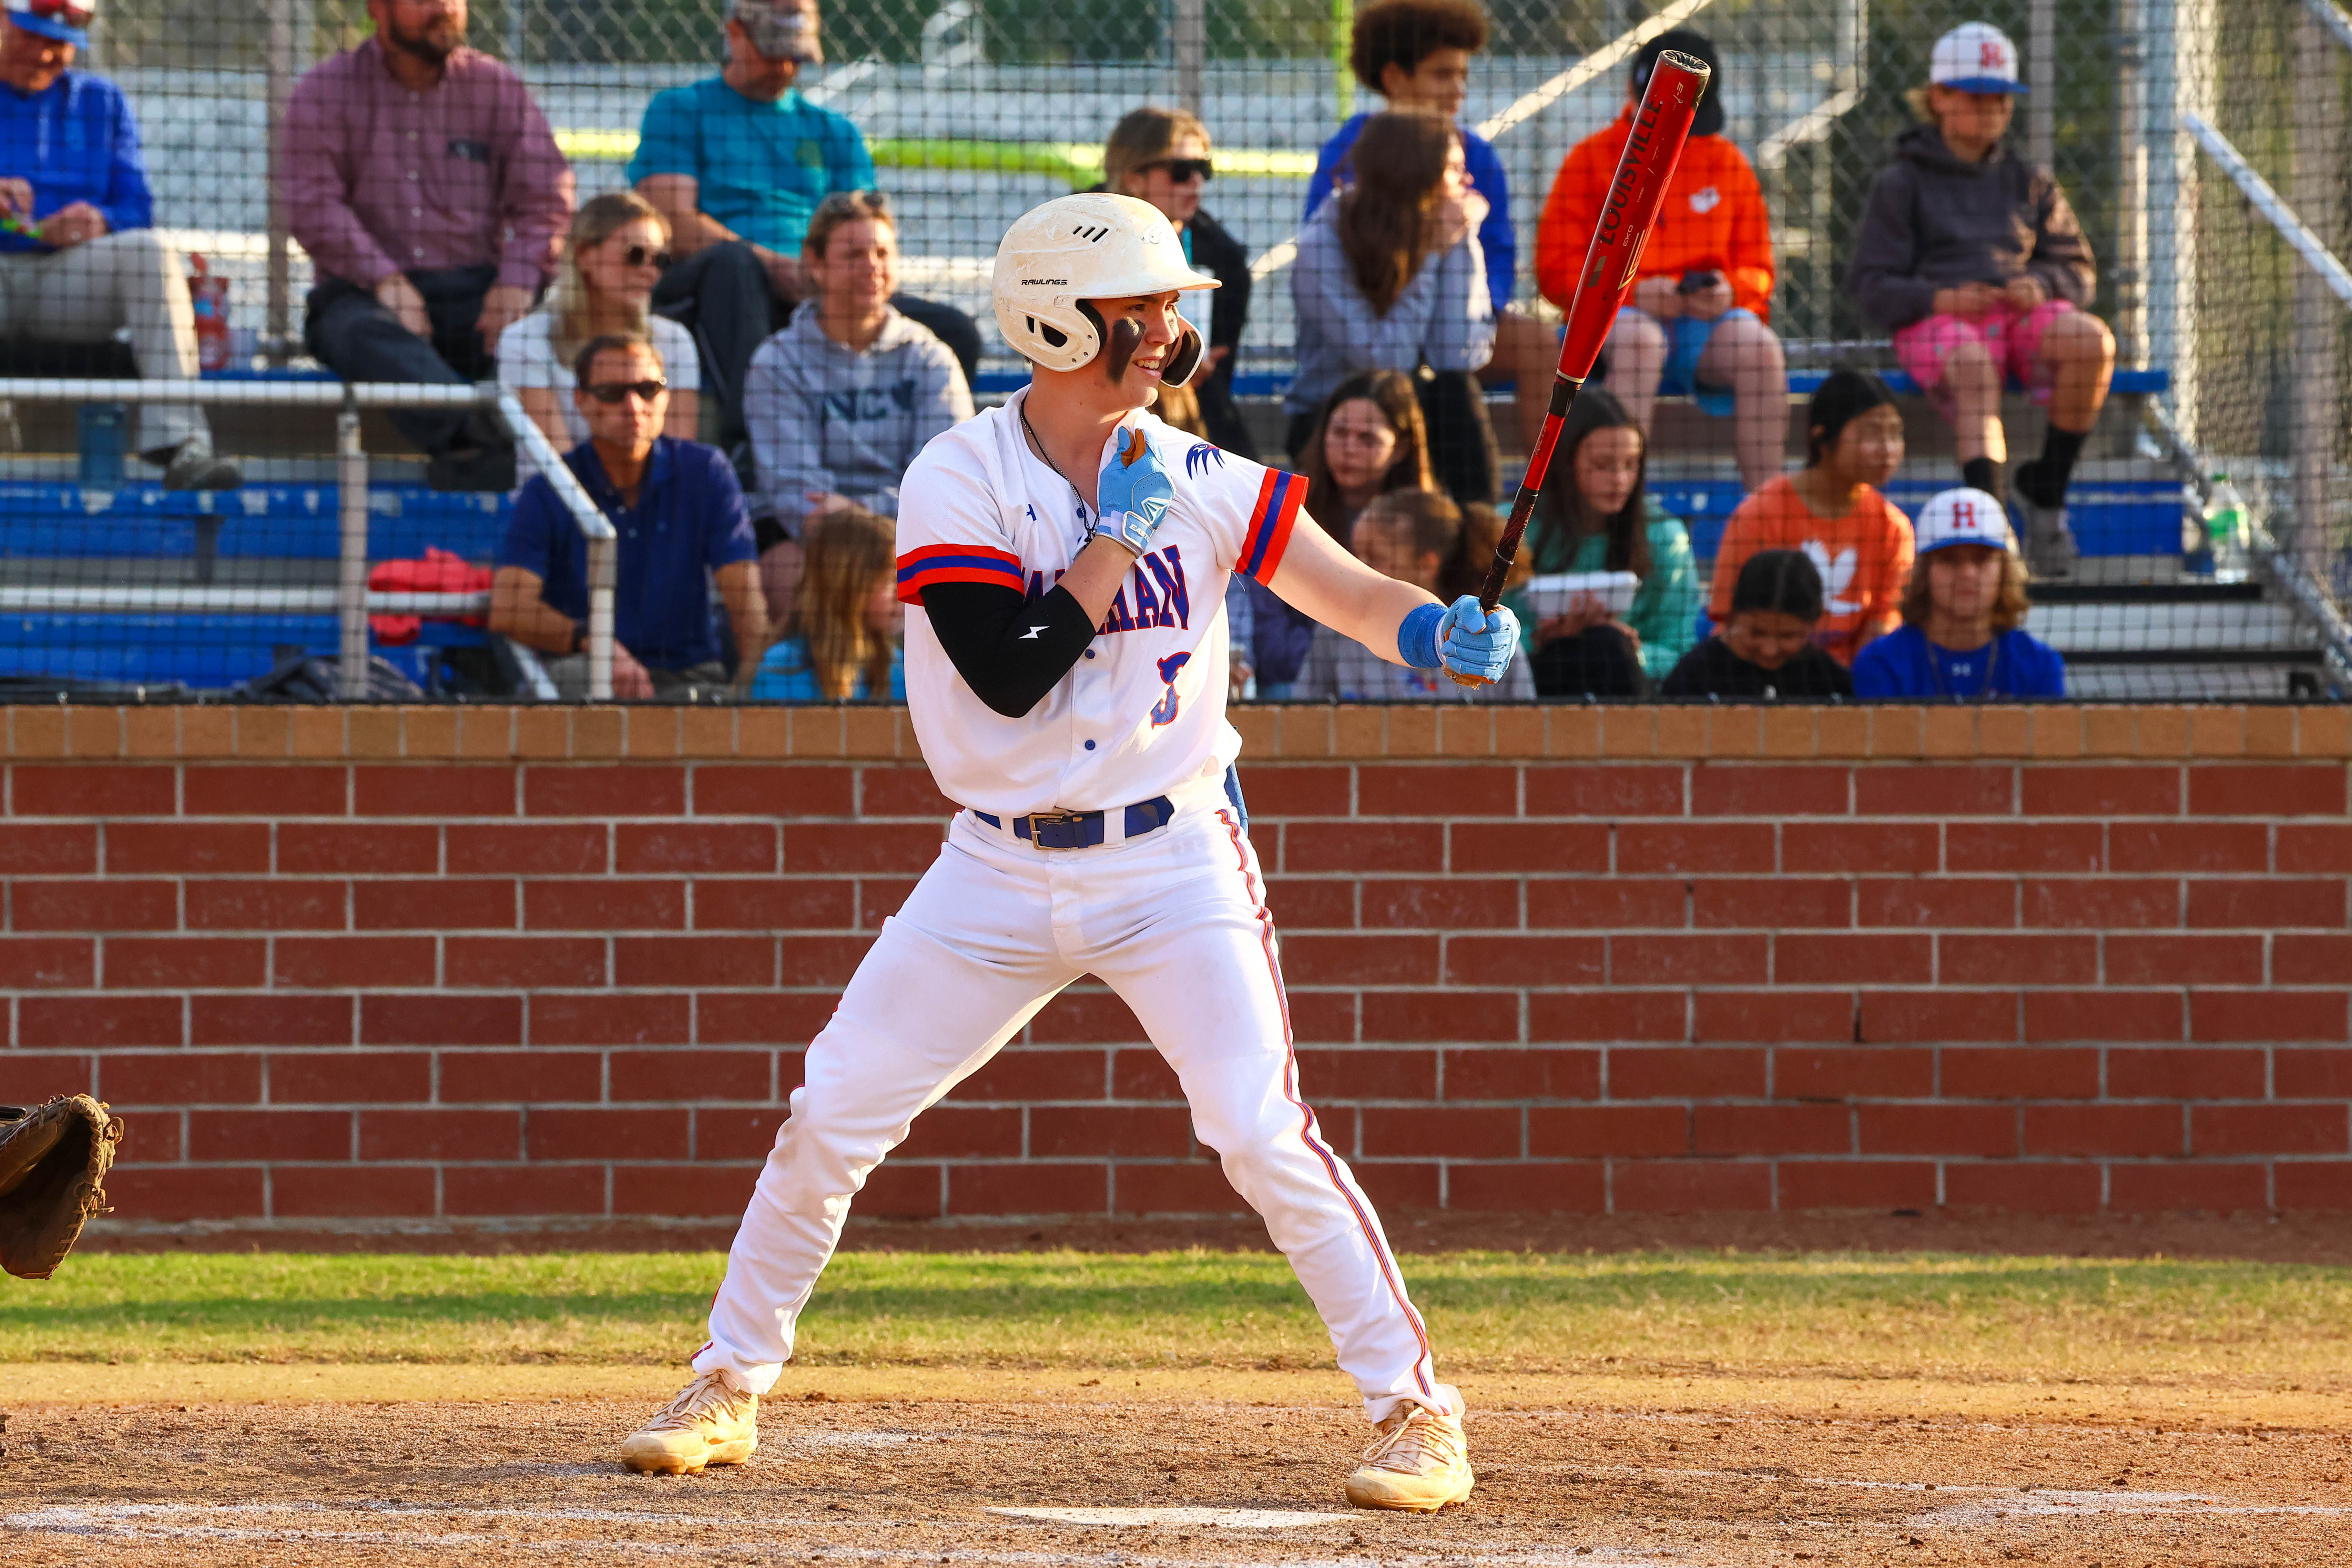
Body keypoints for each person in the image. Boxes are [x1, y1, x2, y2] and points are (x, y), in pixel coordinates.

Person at [617, 192, 1519, 1511]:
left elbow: (1346, 589)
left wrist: (1434, 632)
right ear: (1057, 319)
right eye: (1142, 310)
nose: (1167, 331)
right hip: (991, 867)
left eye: (1168, 310)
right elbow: (1005, 674)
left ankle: (1416, 1410)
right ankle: (728, 1380)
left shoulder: (1203, 478)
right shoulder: (959, 478)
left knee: (1259, 1127)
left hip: (1169, 861)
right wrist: (1114, 541)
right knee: (834, 1110)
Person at [629, 0, 979, 459]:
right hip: (719, 288)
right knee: (735, 269)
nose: (787, 66)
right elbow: (671, 221)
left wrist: (824, 272)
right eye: (774, 52)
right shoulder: (680, 110)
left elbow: (863, 226)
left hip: (820, 282)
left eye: (797, 54)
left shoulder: (834, 132)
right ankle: (748, 453)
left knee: (955, 331)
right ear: (735, 34)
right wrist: (774, 263)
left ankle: (940, 472)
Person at [1847, 21, 2114, 577]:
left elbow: (2078, 270)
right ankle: (1995, 536)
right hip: (1936, 324)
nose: (1992, 109)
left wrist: (2038, 285)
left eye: (2001, 98)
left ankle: (2046, 493)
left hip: (2018, 319)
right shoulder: (1903, 181)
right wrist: (1940, 298)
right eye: (1975, 96)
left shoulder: (2029, 180)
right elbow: (1872, 286)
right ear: (1938, 98)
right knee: (1970, 366)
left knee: (2093, 340)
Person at [283, 0, 572, 492]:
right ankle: (483, 436)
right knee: (353, 332)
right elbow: (312, 206)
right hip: (366, 299)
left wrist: (517, 283)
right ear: (378, 8)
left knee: (545, 337)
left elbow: (546, 199)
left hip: (479, 297)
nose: (445, 9)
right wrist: (384, 278)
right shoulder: (325, 90)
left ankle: (476, 454)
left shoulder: (495, 86)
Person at [0, 0, 238, 490]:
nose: (46, 54)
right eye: (31, 36)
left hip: (66, 281)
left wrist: (100, 220)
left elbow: (137, 207)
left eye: (59, 43)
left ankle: (181, 445)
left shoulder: (101, 101)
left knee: (149, 250)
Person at [1535, 30, 1786, 495]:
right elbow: (1554, 271)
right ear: (1637, 92)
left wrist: (1731, 290)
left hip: (1706, 323)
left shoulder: (1728, 162)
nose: (1686, 126)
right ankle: (1623, 510)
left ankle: (1765, 512)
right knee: (1640, 339)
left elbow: (1760, 268)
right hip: (1619, 322)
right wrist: (1629, 293)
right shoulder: (1589, 161)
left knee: (1760, 349)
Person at [1305, 0, 1556, 452]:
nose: (1458, 90)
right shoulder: (1347, 150)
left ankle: (1548, 492)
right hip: (1371, 328)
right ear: (1395, 78)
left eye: (1463, 75)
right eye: (1442, 75)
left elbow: (1500, 254)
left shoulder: (1477, 153)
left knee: (1538, 343)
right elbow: (1330, 259)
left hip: (1452, 324)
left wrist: (1470, 308)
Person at [488, 333, 766, 700]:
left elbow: (745, 598)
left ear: (666, 397)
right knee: (573, 683)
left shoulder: (707, 473)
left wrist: (762, 693)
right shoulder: (551, 486)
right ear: (582, 401)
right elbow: (509, 609)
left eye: (648, 389)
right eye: (612, 393)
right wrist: (598, 645)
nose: (634, 405)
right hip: (589, 674)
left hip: (691, 678)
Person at [742, 191, 972, 626]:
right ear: (817, 264)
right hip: (815, 543)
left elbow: (945, 485)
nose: (872, 266)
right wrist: (870, 525)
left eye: (882, 252)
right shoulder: (777, 362)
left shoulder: (931, 358)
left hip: (911, 540)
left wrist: (862, 522)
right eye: (853, 254)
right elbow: (795, 493)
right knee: (782, 571)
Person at [1289, 110, 1494, 488]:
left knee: (1456, 393)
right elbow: (1385, 360)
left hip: (1407, 410)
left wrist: (1463, 241)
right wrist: (1434, 253)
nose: (1468, 181)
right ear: (1415, 176)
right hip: (1331, 419)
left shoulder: (1443, 226)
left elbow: (1458, 356)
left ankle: (1485, 536)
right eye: (1453, 169)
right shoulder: (1321, 245)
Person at [1707, 369, 1914, 666]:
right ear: (1821, 437)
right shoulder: (1759, 513)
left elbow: (1883, 625)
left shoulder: (1893, 528)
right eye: (1871, 433)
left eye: (1895, 433)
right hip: (1763, 667)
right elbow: (1728, 619)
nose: (1888, 450)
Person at [1251, 369, 1436, 697]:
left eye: (1367, 438)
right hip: (1301, 683)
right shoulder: (1283, 508)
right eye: (1339, 432)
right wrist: (1337, 651)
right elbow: (1269, 638)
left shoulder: (1430, 521)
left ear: (1401, 448)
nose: (1349, 448)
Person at [1504, 388, 1698, 698]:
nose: (1620, 480)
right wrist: (1540, 641)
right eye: (1603, 465)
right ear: (1566, 462)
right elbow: (1479, 640)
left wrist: (1634, 651)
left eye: (1631, 464)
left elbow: (1680, 649)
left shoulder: (1664, 535)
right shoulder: (1511, 529)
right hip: (1532, 686)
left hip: (1630, 687)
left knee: (1606, 647)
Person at [498, 191, 700, 487]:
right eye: (634, 255)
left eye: (660, 260)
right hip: (560, 511)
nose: (649, 272)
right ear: (584, 255)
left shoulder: (674, 341)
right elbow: (558, 468)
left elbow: (675, 461)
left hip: (649, 511)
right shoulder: (525, 341)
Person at [1102, 106, 1254, 458]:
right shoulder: (1086, 236)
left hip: (1193, 404)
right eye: (1182, 172)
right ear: (1133, 177)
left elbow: (1223, 364)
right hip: (1101, 397)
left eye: (1204, 170)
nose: (1196, 184)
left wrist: (1190, 364)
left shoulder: (1224, 256)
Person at [1298, 490, 1534, 702]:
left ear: (1426, 565)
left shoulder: (1490, 635)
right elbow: (1304, 716)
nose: (1360, 569)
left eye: (1375, 558)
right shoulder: (1334, 628)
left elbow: (1522, 728)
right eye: (1356, 555)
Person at [1852, 487, 2065, 699]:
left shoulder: (2041, 665)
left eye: (1981, 559)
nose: (1968, 574)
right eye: (1949, 559)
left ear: (2004, 571)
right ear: (1924, 573)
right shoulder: (1881, 663)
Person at [748, 503, 904, 702]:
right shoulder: (782, 667)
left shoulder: (901, 667)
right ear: (849, 589)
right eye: (890, 581)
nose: (902, 593)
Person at [1659, 548, 1855, 699]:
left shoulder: (1829, 681)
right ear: (1733, 617)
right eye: (1756, 633)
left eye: (1788, 636)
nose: (1769, 650)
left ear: (1813, 625)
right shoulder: (1694, 676)